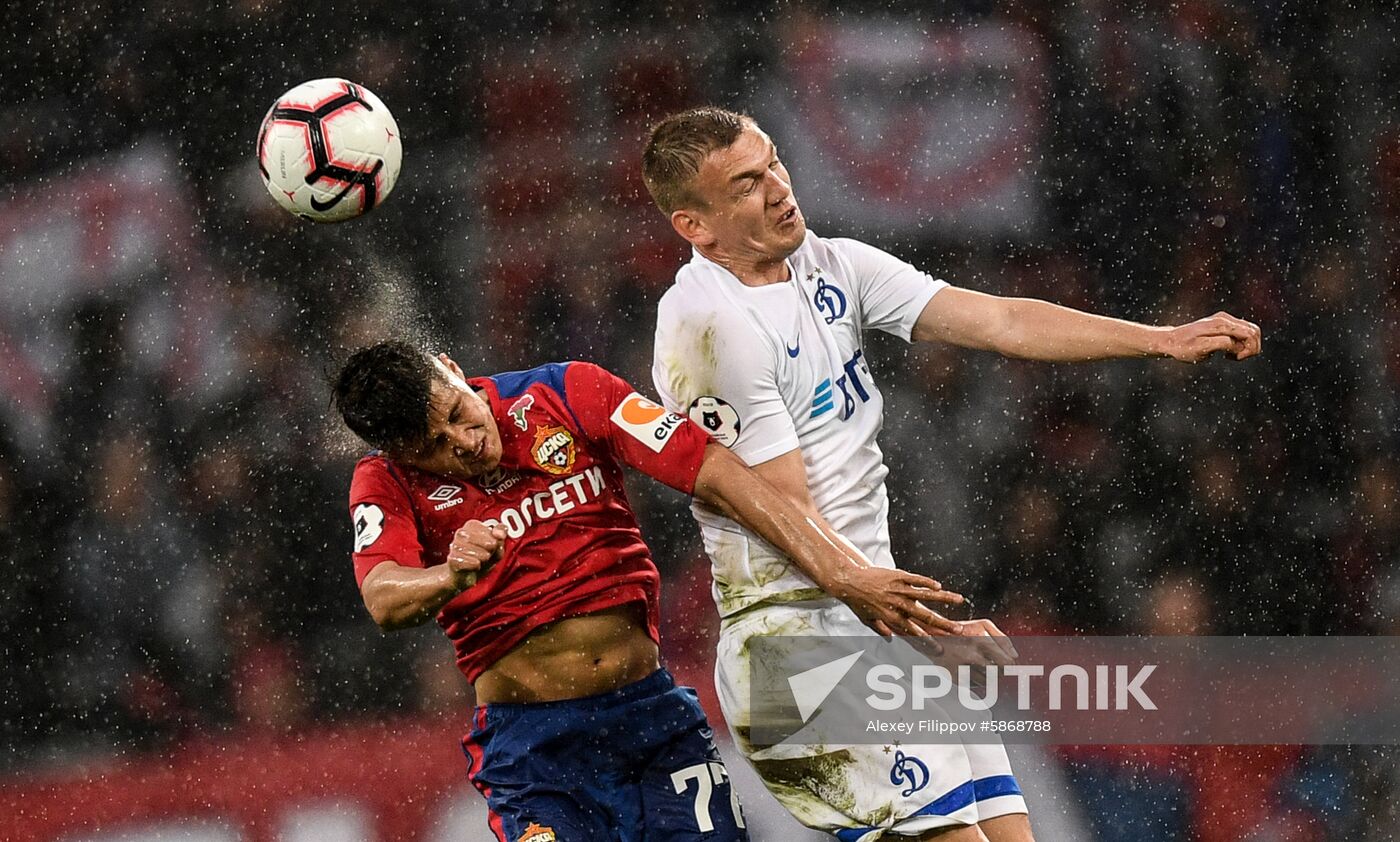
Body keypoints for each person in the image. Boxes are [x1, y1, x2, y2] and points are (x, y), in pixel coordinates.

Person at [642, 107, 1262, 842]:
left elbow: (1000, 321)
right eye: (747, 184)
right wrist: (926, 638)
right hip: (794, 651)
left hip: (868, 627)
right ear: (696, 227)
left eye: (773, 161)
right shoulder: (711, 328)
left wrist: (1159, 340)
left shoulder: (827, 264)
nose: (779, 188)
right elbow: (787, 521)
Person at [331, 340, 965, 842]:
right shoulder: (383, 482)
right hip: (535, 751)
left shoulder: (568, 391)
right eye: (434, 448)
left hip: (652, 719)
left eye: (457, 415)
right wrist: (450, 575)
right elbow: (383, 595)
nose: (465, 445)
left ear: (453, 368)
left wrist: (840, 573)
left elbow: (710, 469)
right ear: (400, 455)